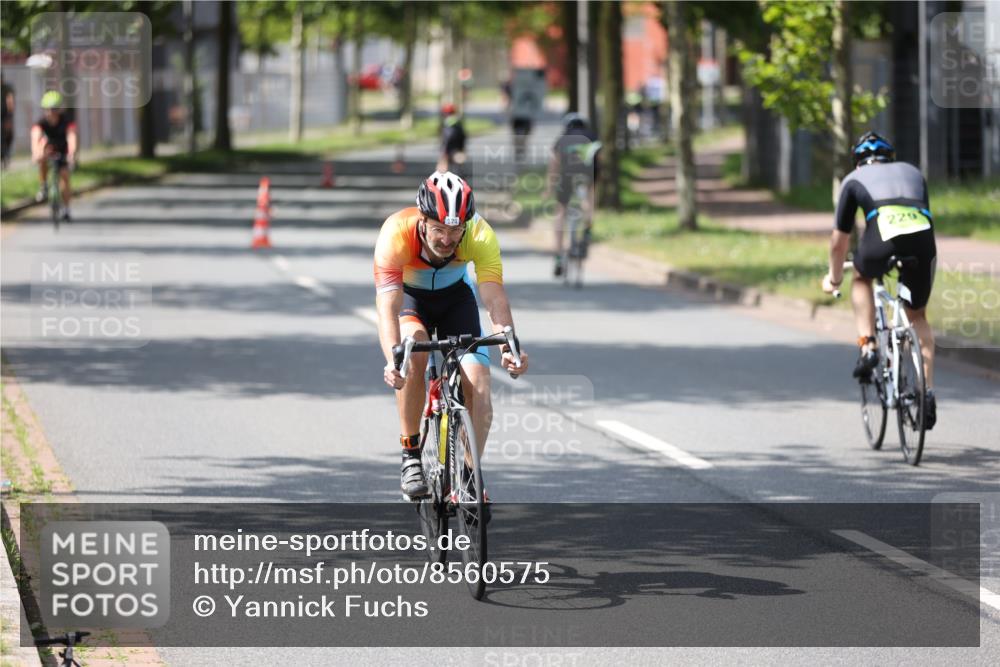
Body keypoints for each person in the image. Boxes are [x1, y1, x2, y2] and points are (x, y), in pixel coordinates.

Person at [373, 171, 529, 501]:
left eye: (456, 230)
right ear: (422, 220)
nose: (447, 239)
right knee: (413, 353)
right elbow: (387, 306)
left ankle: (470, 476)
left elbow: (493, 295)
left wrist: (508, 344)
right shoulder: (396, 233)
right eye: (439, 229)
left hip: (456, 300)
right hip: (411, 301)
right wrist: (393, 360)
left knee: (481, 386)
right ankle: (411, 453)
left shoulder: (479, 234)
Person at [822, 131, 937, 429]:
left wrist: (833, 280)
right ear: (891, 158)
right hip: (922, 241)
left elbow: (838, 244)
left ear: (858, 162)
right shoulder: (913, 172)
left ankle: (868, 346)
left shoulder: (852, 180)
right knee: (917, 315)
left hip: (881, 239)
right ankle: (926, 392)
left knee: (860, 278)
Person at [546, 112, 601, 277]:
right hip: (587, 175)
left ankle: (557, 255)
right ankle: (588, 228)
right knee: (588, 199)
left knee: (560, 211)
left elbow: (554, 165)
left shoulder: (561, 139)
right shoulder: (592, 136)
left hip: (567, 176)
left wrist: (549, 188)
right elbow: (600, 159)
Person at [31, 91, 78, 220]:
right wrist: (35, 154)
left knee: (64, 177)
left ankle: (67, 209)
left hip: (63, 150)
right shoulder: (40, 123)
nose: (51, 112)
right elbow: (35, 138)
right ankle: (44, 185)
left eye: (54, 109)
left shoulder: (67, 122)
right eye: (48, 109)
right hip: (48, 150)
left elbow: (71, 137)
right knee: (42, 153)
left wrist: (72, 154)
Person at [438, 103, 466, 173]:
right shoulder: (458, 122)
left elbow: (447, 138)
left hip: (448, 149)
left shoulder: (446, 123)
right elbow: (463, 136)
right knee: (457, 170)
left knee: (443, 171)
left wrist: (443, 150)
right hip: (458, 149)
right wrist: (462, 148)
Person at [1, 78, 13, 169]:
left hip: (4, 117)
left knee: (7, 137)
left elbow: (10, 102)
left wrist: (9, 118)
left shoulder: (7, 88)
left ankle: (5, 157)